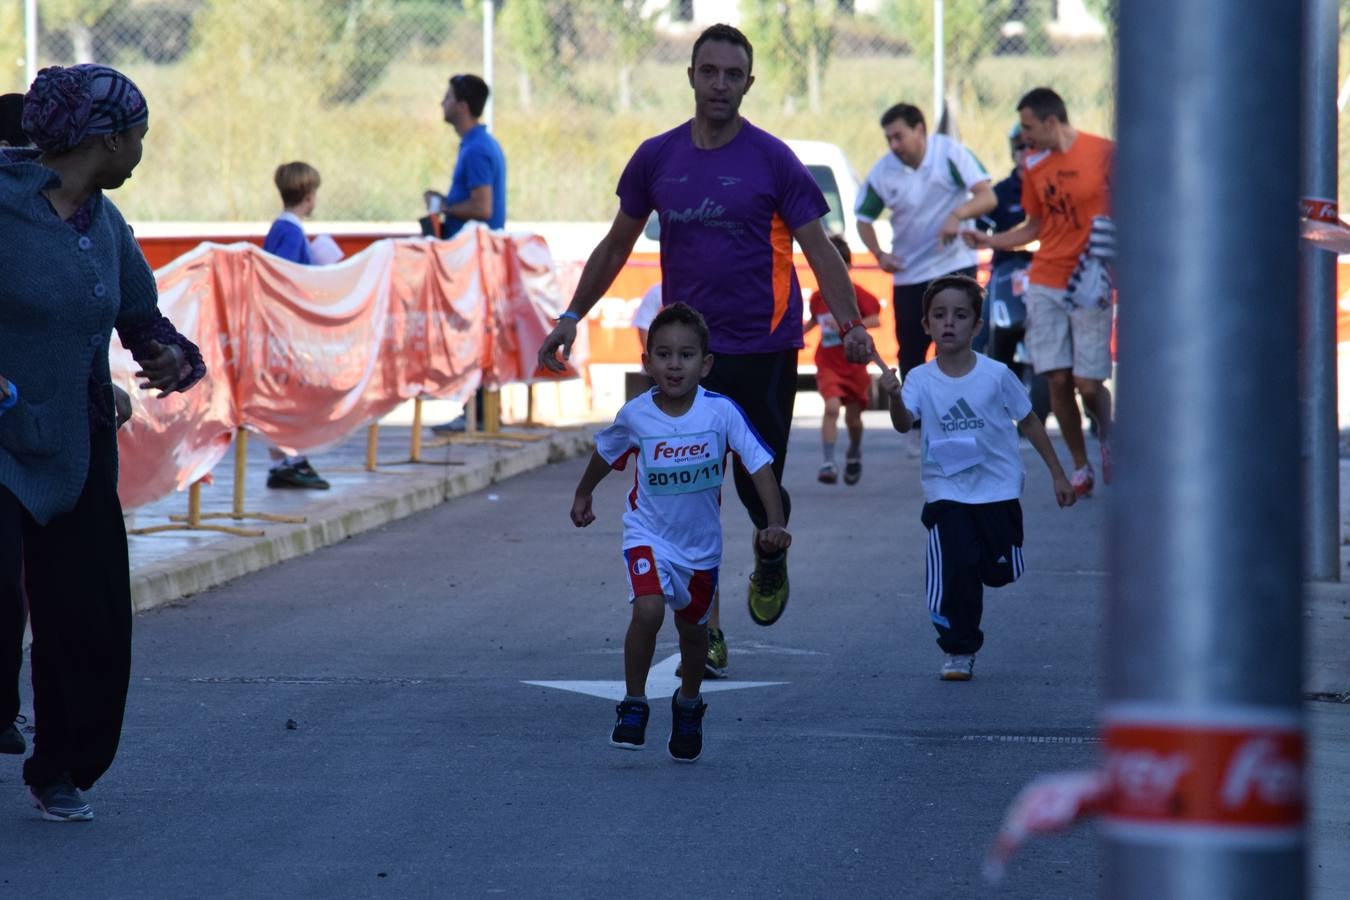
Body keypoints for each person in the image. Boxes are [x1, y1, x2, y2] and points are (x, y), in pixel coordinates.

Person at [539, 24, 876, 678]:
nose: (720, 84)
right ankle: (708, 624)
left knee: (758, 489)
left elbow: (818, 248)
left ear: (749, 82)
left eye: (733, 74)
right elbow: (615, 245)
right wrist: (571, 314)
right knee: (687, 493)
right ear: (691, 76)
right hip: (686, 356)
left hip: (762, 347)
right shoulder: (655, 158)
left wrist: (851, 320)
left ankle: (769, 553)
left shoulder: (775, 161)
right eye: (709, 71)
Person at [1, 64, 206, 821]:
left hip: (79, 440)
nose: (141, 152)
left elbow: (144, 319)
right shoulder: (3, 204)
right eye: (139, 137)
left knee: (88, 617)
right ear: (106, 139)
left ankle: (61, 767)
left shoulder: (104, 224)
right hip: (2, 441)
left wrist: (171, 358)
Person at [570, 304, 789, 761]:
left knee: (694, 634)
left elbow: (760, 466)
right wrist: (583, 493)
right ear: (647, 361)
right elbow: (605, 451)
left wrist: (774, 523)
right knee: (647, 611)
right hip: (647, 535)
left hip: (700, 549)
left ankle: (688, 703)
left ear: (705, 364)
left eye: (686, 355)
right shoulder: (637, 415)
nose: (674, 364)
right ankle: (634, 703)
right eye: (664, 355)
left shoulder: (721, 413)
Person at [878, 275, 1074, 681]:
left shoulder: (996, 375)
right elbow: (903, 424)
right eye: (939, 315)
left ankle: (992, 568)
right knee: (956, 566)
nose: (949, 323)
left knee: (999, 570)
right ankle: (958, 648)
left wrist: (1058, 473)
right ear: (926, 325)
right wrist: (894, 395)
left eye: (960, 315)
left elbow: (1031, 420)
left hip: (997, 490)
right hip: (946, 491)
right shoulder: (918, 379)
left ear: (977, 327)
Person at [964, 87, 1115, 497]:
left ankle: (1108, 436)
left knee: (1088, 381)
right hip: (1046, 279)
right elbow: (1033, 227)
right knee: (1056, 378)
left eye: (1030, 127)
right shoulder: (1034, 164)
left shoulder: (1103, 154)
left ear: (1052, 122)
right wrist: (987, 241)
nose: (1024, 137)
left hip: (1090, 279)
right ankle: (1080, 466)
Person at [855, 103, 996, 381]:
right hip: (910, 273)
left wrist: (957, 215)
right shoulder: (884, 171)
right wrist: (879, 254)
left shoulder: (949, 154)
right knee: (911, 353)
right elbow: (863, 219)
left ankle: (963, 412)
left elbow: (987, 196)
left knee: (959, 345)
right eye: (888, 139)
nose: (893, 145)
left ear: (919, 130)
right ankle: (918, 420)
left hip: (955, 265)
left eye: (898, 136)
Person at [424, 73, 507, 437]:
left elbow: (483, 206)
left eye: (446, 96)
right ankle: (478, 412)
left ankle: (476, 414)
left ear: (461, 105)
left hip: (474, 257)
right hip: (475, 254)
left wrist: (445, 207)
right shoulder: (474, 146)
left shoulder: (477, 149)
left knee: (473, 333)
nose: (441, 103)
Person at [260, 161, 334, 490]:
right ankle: (289, 458)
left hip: (280, 327)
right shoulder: (290, 231)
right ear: (308, 195)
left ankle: (286, 457)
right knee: (291, 394)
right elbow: (284, 274)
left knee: (287, 392)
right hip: (286, 329)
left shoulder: (283, 228)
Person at [804, 235, 881, 485]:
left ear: (847, 267)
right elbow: (815, 321)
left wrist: (850, 324)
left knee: (854, 419)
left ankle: (854, 452)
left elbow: (875, 319)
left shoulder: (857, 294)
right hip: (828, 363)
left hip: (855, 364)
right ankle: (828, 461)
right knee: (832, 407)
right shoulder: (817, 297)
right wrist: (798, 334)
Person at [977, 123, 1035, 378]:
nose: (1026, 152)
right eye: (1020, 147)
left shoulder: (1053, 186)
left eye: (1032, 146)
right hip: (1006, 272)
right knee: (978, 326)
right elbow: (978, 225)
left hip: (1048, 270)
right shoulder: (999, 193)